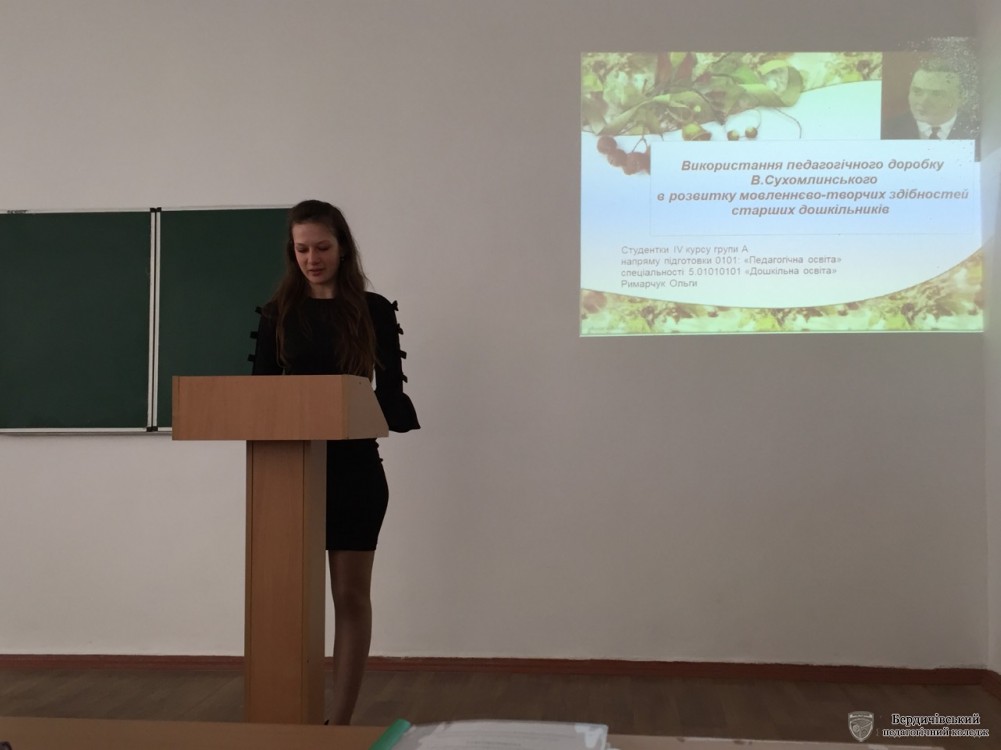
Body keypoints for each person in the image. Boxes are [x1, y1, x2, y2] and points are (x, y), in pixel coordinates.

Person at [250, 199, 419, 724]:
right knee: (289, 600)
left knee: (349, 596)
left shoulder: (373, 311)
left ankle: (338, 723)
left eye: (322, 247)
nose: (312, 259)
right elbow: (259, 399)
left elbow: (389, 399)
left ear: (343, 247)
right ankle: (287, 715)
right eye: (302, 249)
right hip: (292, 472)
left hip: (354, 471)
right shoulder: (277, 314)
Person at [882, 58, 977, 141]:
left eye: (936, 94)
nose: (923, 101)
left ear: (961, 97)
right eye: (917, 91)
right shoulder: (887, 129)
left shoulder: (978, 130)